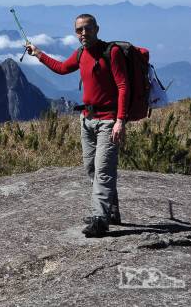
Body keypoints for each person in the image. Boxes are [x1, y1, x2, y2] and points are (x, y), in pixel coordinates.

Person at [25, 14, 128, 238]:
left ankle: (100, 220)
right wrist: (38, 53)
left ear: (97, 29)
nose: (83, 33)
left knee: (103, 170)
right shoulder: (81, 53)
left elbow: (122, 86)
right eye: (79, 30)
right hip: (86, 120)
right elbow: (62, 68)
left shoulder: (112, 53)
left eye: (87, 29)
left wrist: (120, 120)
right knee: (91, 168)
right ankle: (111, 211)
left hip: (108, 121)